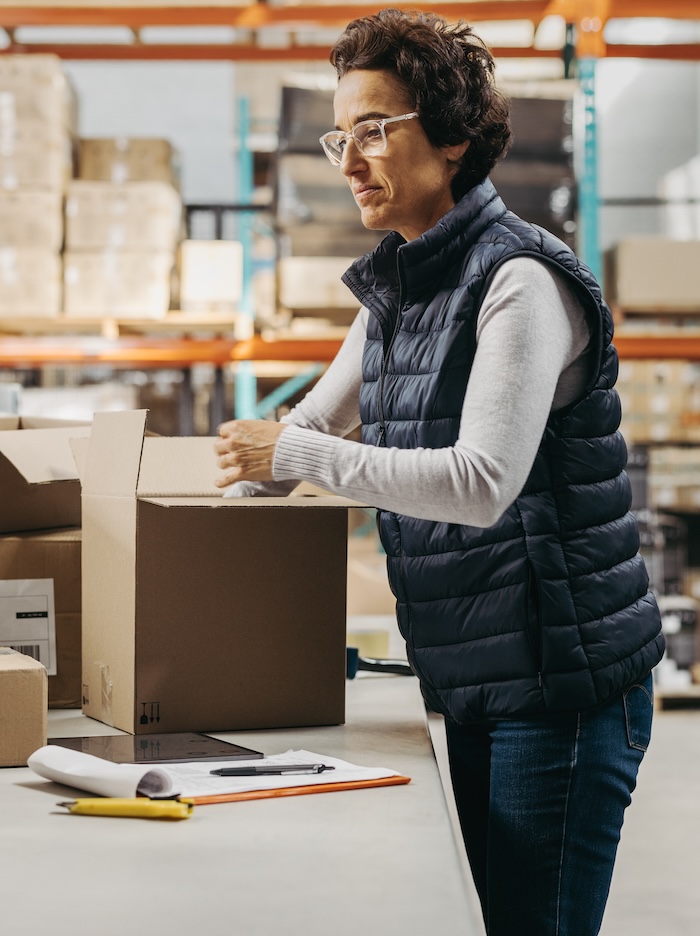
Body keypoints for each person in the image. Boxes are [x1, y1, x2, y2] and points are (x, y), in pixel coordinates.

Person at [214, 10, 665, 935]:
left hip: (561, 682)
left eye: (375, 130)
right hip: (474, 672)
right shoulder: (398, 287)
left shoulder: (521, 282)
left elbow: (481, 481)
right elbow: (306, 424)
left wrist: (290, 456)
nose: (349, 161)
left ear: (454, 137)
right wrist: (195, 507)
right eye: (342, 135)